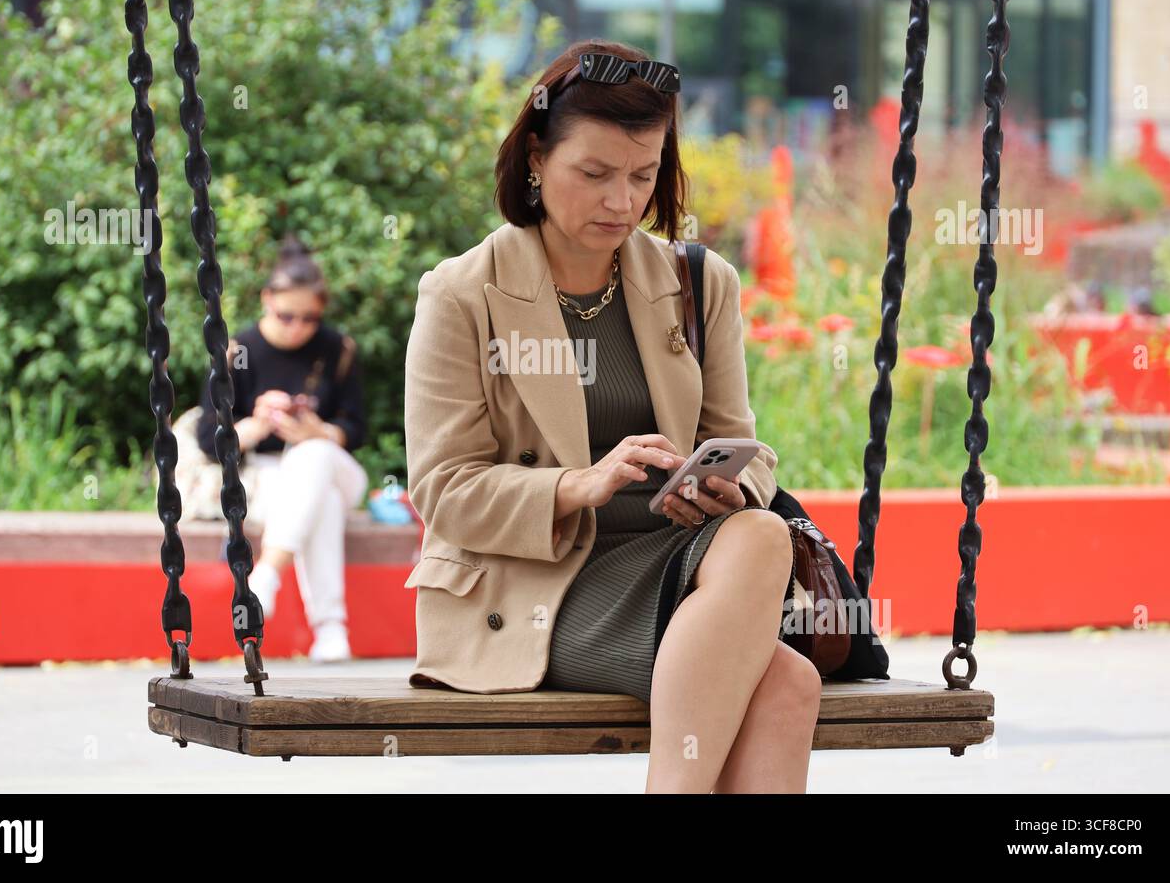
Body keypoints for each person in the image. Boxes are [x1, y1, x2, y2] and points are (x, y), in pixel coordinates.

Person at [402, 39, 821, 793]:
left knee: (759, 534)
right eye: (594, 174)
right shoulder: (462, 293)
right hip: (536, 586)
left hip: (679, 558)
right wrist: (577, 485)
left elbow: (744, 447)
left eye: (642, 175)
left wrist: (728, 486)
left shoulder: (699, 283)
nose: (622, 203)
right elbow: (444, 489)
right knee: (786, 684)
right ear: (537, 158)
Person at [196, 238, 369, 663]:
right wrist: (255, 426)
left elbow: (357, 428)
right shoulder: (237, 351)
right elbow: (207, 438)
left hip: (336, 466)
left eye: (310, 318)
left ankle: (268, 572)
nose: (297, 327)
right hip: (269, 475)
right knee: (323, 501)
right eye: (287, 316)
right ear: (267, 300)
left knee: (314, 454)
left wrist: (318, 430)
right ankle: (330, 629)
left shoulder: (337, 349)